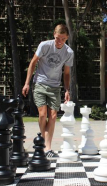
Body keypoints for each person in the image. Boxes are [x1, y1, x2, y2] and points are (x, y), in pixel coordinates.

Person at [22, 24, 74, 158]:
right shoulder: (44, 45)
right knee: (43, 114)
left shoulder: (69, 53)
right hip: (39, 83)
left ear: (67, 38)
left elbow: (66, 73)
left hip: (55, 86)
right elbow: (33, 63)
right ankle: (45, 143)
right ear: (53, 35)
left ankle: (48, 147)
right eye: (57, 38)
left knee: (53, 116)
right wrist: (27, 83)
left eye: (63, 39)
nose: (59, 42)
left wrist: (67, 90)